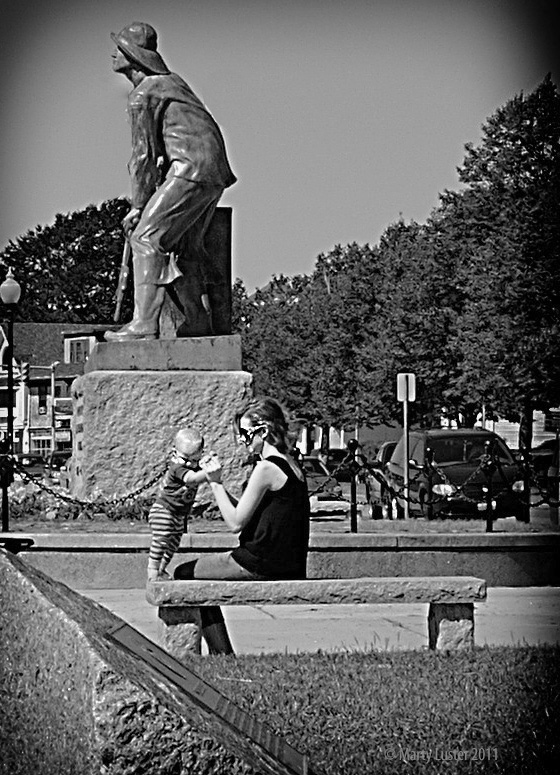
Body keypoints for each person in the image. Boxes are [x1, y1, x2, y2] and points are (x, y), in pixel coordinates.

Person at [106, 22, 236, 341]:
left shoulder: (143, 95)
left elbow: (143, 157)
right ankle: (198, 321)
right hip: (212, 172)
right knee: (185, 247)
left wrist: (138, 207)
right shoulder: (172, 83)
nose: (113, 53)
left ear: (132, 56)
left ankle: (143, 325)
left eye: (119, 48)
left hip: (190, 170)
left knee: (145, 239)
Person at [174, 397, 311, 653]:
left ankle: (221, 653)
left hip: (260, 562)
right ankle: (221, 651)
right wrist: (218, 485)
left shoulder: (266, 468)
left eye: (245, 434)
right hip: (288, 562)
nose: (241, 440)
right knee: (193, 575)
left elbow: (235, 522)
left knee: (183, 574)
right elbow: (249, 512)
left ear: (264, 432)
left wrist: (215, 482)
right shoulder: (291, 464)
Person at [147, 427, 209, 580]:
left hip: (179, 514)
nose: (189, 464)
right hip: (164, 510)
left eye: (194, 460)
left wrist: (208, 462)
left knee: (173, 544)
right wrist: (209, 472)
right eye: (185, 459)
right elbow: (191, 479)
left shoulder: (194, 467)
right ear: (174, 452)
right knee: (161, 541)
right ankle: (152, 569)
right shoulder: (177, 467)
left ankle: (161, 569)